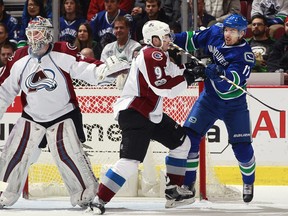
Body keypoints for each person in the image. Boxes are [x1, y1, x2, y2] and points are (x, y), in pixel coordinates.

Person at [0, 16, 130, 209]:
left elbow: (87, 70)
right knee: (13, 156)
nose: (34, 37)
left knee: (70, 157)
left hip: (62, 115)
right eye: (31, 33)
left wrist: (111, 72)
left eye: (38, 32)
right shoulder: (19, 58)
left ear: (47, 34)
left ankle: (86, 195)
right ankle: (2, 192)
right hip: (31, 118)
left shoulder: (62, 51)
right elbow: (4, 91)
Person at [87, 20, 203, 214]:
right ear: (153, 39)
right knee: (130, 162)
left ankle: (173, 192)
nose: (169, 40)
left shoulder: (161, 55)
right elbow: (164, 86)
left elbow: (175, 74)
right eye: (165, 37)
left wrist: (192, 69)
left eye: (168, 36)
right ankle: (98, 200)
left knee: (181, 143)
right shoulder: (151, 53)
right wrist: (189, 78)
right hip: (136, 113)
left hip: (150, 113)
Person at [173, 13, 256, 203]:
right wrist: (170, 38)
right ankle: (188, 184)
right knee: (190, 137)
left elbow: (232, 82)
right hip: (209, 99)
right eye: (227, 29)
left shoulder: (245, 55)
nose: (228, 34)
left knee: (242, 148)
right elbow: (191, 39)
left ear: (242, 34)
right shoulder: (215, 33)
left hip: (234, 105)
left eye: (233, 31)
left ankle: (248, 181)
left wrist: (219, 73)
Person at [100, 16, 141, 86]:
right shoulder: (108, 47)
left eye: (121, 28)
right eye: (116, 28)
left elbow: (135, 69)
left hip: (129, 85)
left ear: (128, 29)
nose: (118, 30)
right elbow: (102, 67)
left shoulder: (136, 47)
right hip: (108, 85)